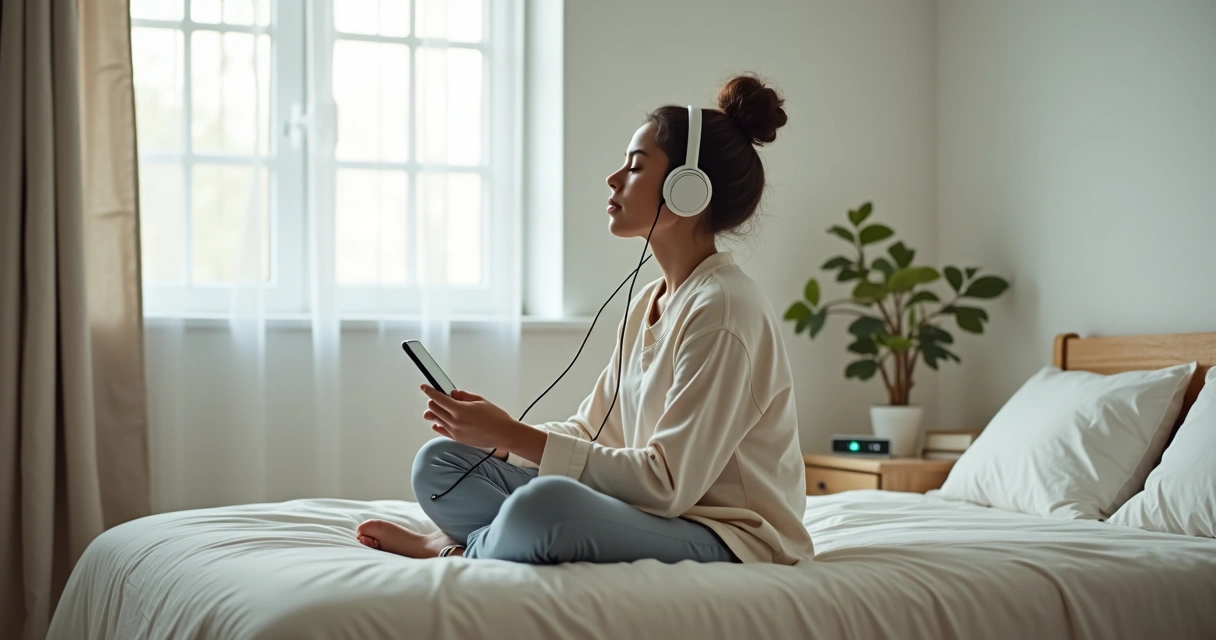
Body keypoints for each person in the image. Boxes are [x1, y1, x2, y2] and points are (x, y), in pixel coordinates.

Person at [356, 73, 814, 565]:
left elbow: (667, 485)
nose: (613, 179)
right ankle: (492, 541)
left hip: (725, 534)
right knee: (441, 464)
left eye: (635, 168)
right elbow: (594, 434)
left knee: (546, 509)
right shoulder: (650, 300)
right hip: (655, 512)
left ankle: (456, 550)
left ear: (686, 191)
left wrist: (513, 436)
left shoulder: (723, 309)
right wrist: (501, 437)